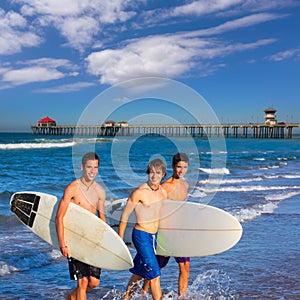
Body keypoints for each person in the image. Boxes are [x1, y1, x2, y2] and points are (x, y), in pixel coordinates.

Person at [56, 152, 106, 300]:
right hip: (75, 240)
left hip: (92, 240)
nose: (92, 171)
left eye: (95, 167)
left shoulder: (100, 191)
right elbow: (59, 217)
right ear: (82, 167)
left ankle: (71, 297)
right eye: (89, 167)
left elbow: (102, 219)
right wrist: (62, 244)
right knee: (82, 282)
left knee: (94, 282)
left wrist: (105, 243)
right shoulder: (72, 189)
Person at [118, 158, 167, 300]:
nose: (154, 176)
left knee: (140, 272)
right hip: (141, 235)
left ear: (163, 174)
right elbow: (124, 216)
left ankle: (126, 298)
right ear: (147, 173)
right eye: (151, 172)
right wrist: (120, 241)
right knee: (155, 274)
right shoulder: (139, 192)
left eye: (158, 173)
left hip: (153, 236)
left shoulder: (163, 192)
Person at [143, 152, 190, 298]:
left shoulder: (185, 185)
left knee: (185, 266)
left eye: (184, 167)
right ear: (173, 167)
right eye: (178, 167)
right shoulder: (165, 187)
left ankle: (182, 296)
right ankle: (143, 292)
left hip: (180, 232)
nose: (181, 171)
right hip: (165, 232)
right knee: (157, 267)